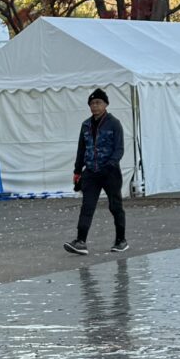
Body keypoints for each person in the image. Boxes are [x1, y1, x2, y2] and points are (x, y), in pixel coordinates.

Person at [63, 87, 127, 256]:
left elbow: (119, 149)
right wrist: (78, 171)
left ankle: (121, 240)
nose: (94, 106)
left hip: (110, 172)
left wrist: (111, 164)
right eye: (92, 103)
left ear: (105, 104)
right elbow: (81, 150)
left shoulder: (114, 123)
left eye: (98, 102)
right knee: (87, 207)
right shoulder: (85, 125)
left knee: (115, 206)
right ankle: (80, 241)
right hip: (91, 172)